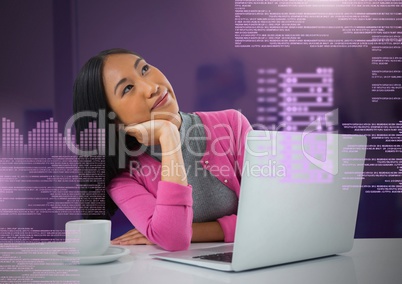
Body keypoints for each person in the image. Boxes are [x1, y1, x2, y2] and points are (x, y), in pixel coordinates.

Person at [73, 48, 252, 251]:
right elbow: (174, 239)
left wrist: (192, 231)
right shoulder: (124, 176)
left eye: (145, 69)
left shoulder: (232, 124)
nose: (151, 88)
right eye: (127, 88)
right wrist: (168, 137)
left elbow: (267, 216)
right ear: (112, 121)